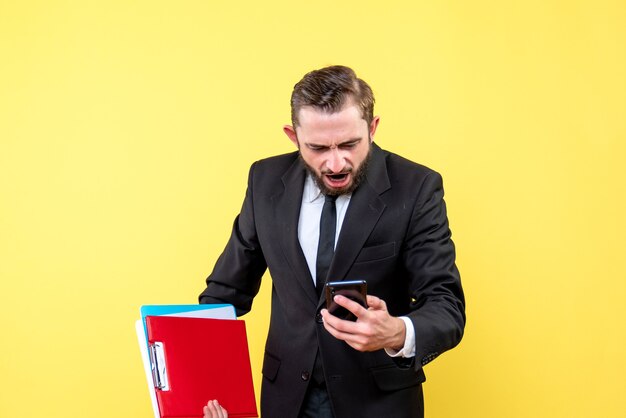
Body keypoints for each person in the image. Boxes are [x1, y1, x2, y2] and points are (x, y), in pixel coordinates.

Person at [199, 65, 465, 418]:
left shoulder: (416, 188)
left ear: (372, 128)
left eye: (350, 144)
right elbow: (224, 294)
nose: (336, 162)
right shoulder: (264, 181)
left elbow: (446, 306)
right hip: (287, 400)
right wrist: (195, 385)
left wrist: (397, 332)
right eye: (318, 147)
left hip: (378, 404)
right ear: (293, 137)